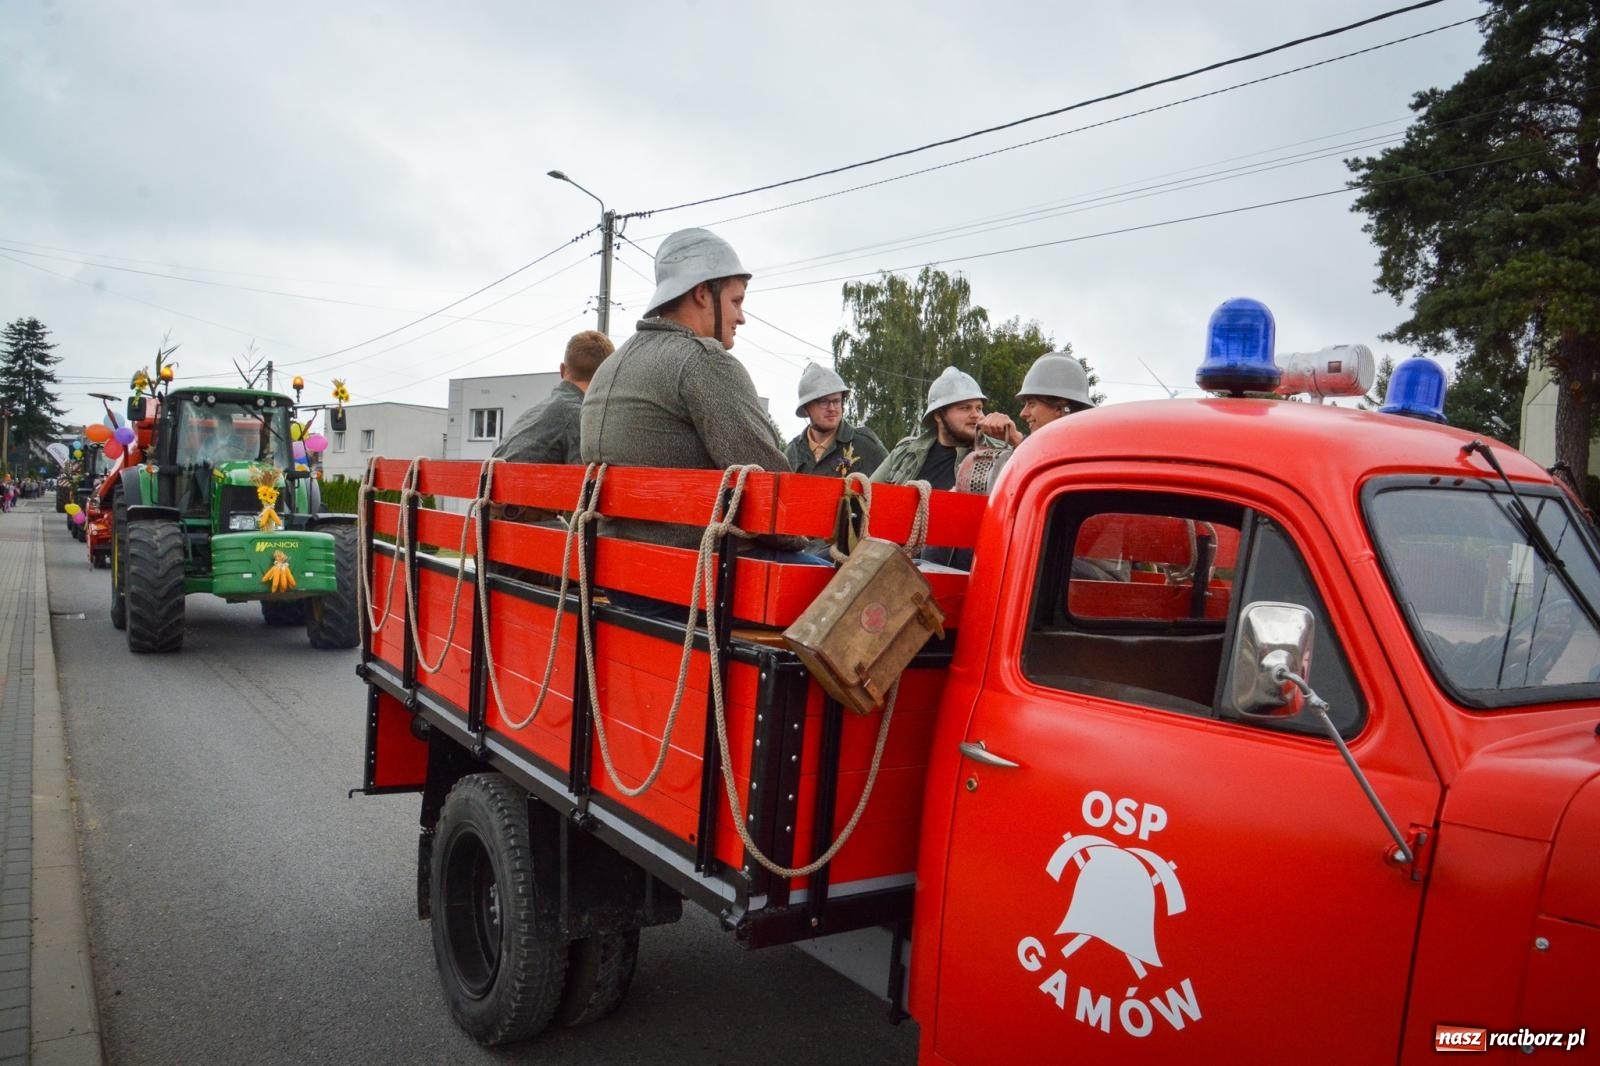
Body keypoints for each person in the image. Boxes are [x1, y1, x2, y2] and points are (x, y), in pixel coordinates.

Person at [580, 228, 813, 618]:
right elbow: (774, 491)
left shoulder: (610, 366)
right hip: (694, 582)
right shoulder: (703, 361)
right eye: (736, 301)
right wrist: (808, 540)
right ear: (703, 293)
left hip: (620, 577)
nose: (741, 317)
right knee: (867, 599)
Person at [961, 352, 1097, 494]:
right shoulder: (1083, 453)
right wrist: (1015, 438)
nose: (1023, 413)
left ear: (1059, 407)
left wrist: (1016, 439)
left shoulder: (1081, 462)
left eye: (1031, 404)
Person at [495, 330, 615, 466]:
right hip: (526, 486)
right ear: (606, 377)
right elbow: (587, 480)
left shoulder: (532, 414)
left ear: (562, 370)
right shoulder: (582, 417)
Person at [871, 366, 989, 490]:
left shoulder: (991, 455)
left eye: (979, 408)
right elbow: (864, 497)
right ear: (938, 415)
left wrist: (1012, 440)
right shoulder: (905, 452)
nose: (977, 415)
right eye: (965, 408)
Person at [784, 363, 887, 479]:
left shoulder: (865, 445)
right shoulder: (792, 452)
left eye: (837, 401)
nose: (832, 408)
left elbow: (895, 488)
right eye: (823, 402)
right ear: (806, 408)